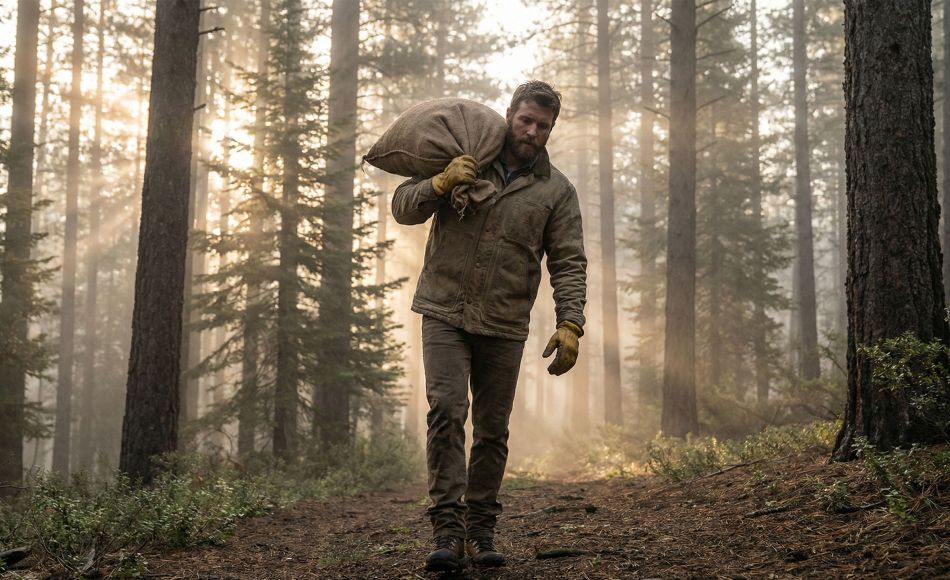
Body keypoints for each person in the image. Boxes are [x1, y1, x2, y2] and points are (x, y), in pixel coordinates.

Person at [391, 80, 588, 572]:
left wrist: (571, 324)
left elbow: (568, 262)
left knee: (493, 430)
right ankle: (447, 532)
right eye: (526, 120)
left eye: (543, 125)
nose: (533, 132)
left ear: (551, 129)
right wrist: (438, 184)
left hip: (504, 323)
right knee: (446, 410)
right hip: (444, 311)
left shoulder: (557, 192)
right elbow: (402, 206)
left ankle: (480, 532)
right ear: (509, 115)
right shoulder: (465, 158)